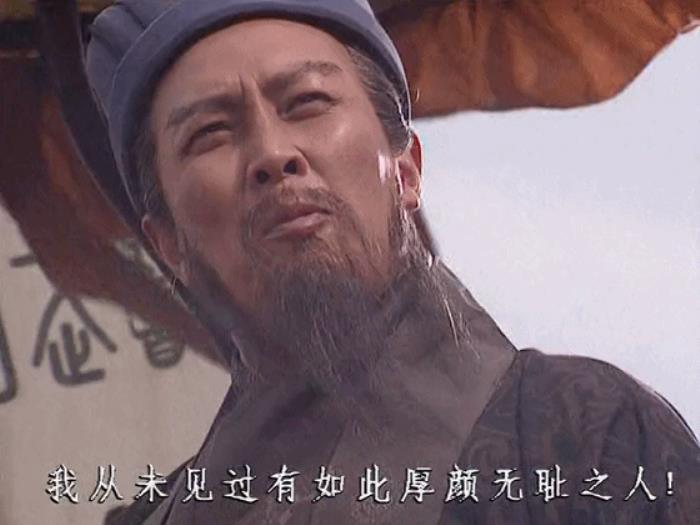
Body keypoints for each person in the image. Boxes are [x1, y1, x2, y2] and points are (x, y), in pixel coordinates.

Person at [84, 1, 700, 523]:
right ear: (168, 245)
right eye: (211, 134)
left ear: (405, 171)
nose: (272, 153)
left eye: (307, 102)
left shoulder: (589, 439)